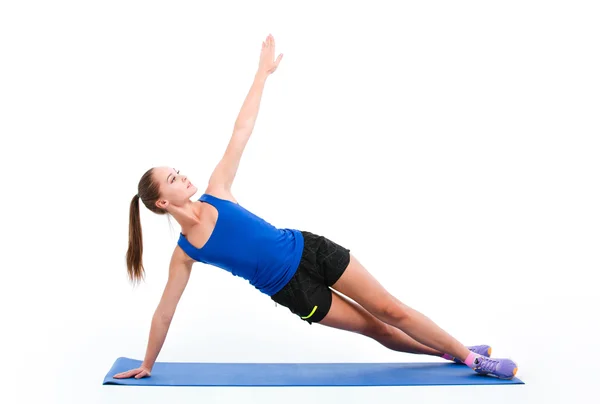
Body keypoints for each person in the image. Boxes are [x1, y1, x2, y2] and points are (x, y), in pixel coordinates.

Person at [114, 34, 518, 381]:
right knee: (377, 329)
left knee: (390, 308)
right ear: (164, 202)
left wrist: (261, 74)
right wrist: (148, 364)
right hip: (293, 290)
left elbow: (242, 131)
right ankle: (453, 352)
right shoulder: (186, 253)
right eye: (173, 179)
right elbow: (165, 313)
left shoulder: (217, 189)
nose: (183, 177)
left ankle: (470, 356)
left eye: (178, 171)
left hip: (309, 249)